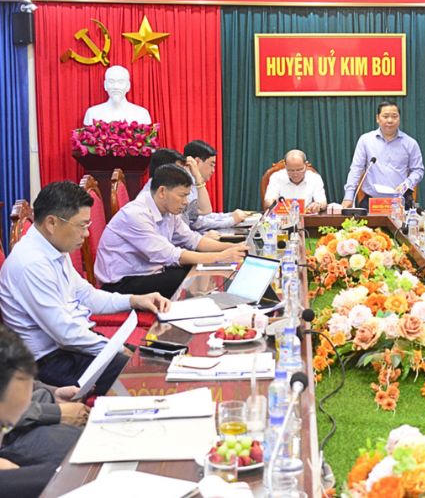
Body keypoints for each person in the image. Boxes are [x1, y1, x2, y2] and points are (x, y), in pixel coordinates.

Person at [0, 181, 169, 393]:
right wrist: (114, 349)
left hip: (73, 346)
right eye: (82, 225)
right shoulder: (30, 264)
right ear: (52, 223)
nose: (87, 234)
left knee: (157, 357)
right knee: (144, 372)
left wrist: (134, 300)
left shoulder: (53, 247)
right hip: (50, 363)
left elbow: (87, 296)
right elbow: (64, 333)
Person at [95, 164, 247, 298]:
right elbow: (172, 255)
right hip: (120, 284)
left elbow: (194, 240)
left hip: (149, 272)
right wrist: (220, 256)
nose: (186, 202)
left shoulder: (169, 210)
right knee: (189, 276)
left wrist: (234, 248)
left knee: (195, 270)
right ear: (162, 191)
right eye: (182, 196)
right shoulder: (136, 214)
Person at [0, 327, 84, 497]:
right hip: (18, 432)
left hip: (27, 417)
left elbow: (15, 371)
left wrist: (54, 393)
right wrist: (54, 412)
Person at [342, 101, 424, 209]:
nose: (390, 120)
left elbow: (418, 170)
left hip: (400, 202)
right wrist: (348, 197)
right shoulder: (365, 140)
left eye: (394, 116)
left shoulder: (410, 143)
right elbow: (356, 169)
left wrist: (407, 184)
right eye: (385, 116)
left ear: (399, 119)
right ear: (377, 118)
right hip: (372, 202)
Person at [182, 140, 249, 230]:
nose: (213, 170)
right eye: (211, 165)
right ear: (197, 162)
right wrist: (231, 220)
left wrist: (229, 215)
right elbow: (196, 223)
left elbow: (204, 215)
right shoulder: (183, 183)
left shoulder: (194, 182)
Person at [264, 149, 328, 214]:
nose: (295, 174)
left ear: (306, 165)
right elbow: (268, 200)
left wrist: (318, 205)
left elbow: (323, 202)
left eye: (299, 170)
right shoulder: (276, 177)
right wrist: (271, 203)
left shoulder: (315, 178)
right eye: (291, 170)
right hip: (282, 218)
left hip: (306, 217)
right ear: (285, 166)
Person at [83, 65, 151, 125]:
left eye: (121, 82)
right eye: (111, 81)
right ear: (105, 85)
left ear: (128, 86)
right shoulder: (92, 113)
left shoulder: (142, 114)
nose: (116, 87)